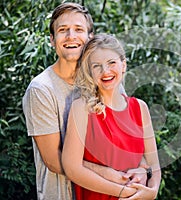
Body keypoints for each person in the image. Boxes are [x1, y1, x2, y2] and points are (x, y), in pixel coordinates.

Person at [23, 3, 148, 200]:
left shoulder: (106, 78)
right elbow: (53, 160)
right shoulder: (41, 89)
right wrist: (107, 173)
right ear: (52, 40)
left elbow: (129, 141)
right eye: (63, 30)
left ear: (90, 37)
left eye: (78, 29)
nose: (71, 36)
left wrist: (142, 169)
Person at [62, 33, 161, 199]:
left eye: (111, 63)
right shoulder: (82, 108)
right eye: (96, 66)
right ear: (89, 72)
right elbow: (72, 168)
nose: (105, 71)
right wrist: (124, 192)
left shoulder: (140, 108)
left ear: (123, 65)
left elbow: (154, 165)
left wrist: (152, 191)